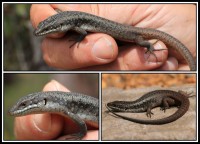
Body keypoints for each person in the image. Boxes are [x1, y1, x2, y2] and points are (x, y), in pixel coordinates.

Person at [30, 4, 196, 70]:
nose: (43, 32)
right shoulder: (68, 20)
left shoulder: (74, 24)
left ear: (58, 26)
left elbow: (83, 32)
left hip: (134, 35)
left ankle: (150, 47)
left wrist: (149, 46)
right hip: (128, 32)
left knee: (142, 43)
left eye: (48, 28)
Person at [13, 80, 98, 140]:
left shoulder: (65, 109)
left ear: (44, 101)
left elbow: (82, 123)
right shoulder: (63, 109)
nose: (21, 108)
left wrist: (81, 135)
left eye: (24, 105)